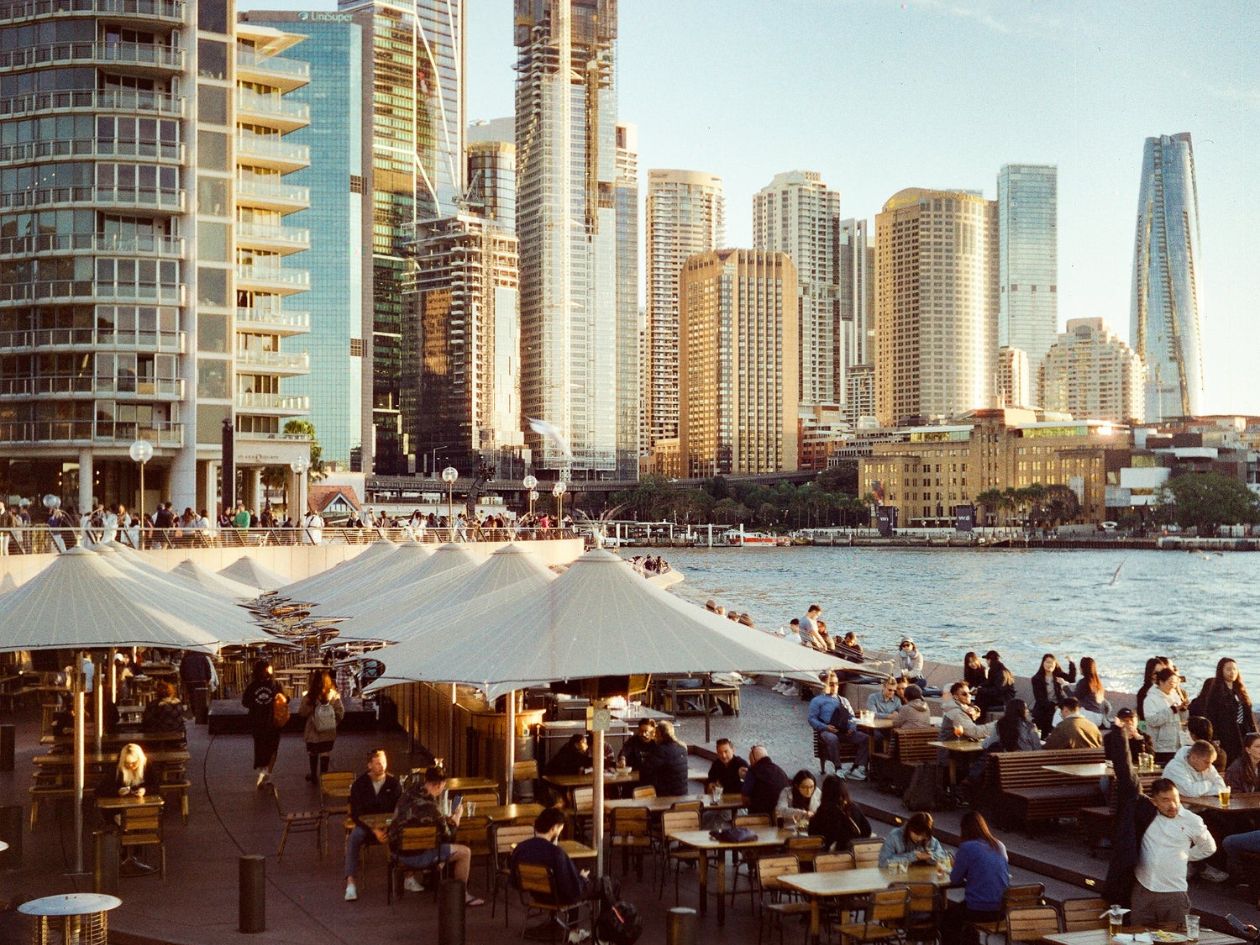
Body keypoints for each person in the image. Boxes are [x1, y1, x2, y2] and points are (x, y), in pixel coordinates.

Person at [387, 766, 482, 906]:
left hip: (397, 853)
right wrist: (456, 819)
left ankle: (416, 878)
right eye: (443, 787)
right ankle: (462, 895)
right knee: (465, 852)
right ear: (438, 785)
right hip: (418, 857)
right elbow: (448, 837)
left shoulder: (408, 792)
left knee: (433, 843)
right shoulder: (433, 809)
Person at [1129, 779, 1217, 927]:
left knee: (1176, 939)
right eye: (1165, 800)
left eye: (1175, 799)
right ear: (1154, 802)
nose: (1173, 805)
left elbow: (1209, 847)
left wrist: (1183, 856)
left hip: (1174, 893)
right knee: (1138, 938)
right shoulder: (1147, 815)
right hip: (1143, 890)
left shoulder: (1192, 820)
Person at [511, 806, 599, 932]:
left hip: (536, 895)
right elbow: (571, 890)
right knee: (605, 884)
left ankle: (573, 931)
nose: (560, 834)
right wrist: (582, 878)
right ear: (553, 828)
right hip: (557, 898)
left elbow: (514, 882)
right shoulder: (556, 853)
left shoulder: (520, 848)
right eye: (559, 830)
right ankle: (606, 935)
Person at [343, 748, 402, 901]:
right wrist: (375, 830)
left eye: (383, 762)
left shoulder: (394, 784)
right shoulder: (359, 785)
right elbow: (356, 814)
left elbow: (398, 809)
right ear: (369, 765)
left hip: (389, 825)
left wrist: (388, 827)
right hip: (366, 826)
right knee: (354, 837)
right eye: (377, 763)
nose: (381, 766)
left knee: (404, 834)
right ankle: (350, 882)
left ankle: (408, 875)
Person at [943, 812, 1010, 945]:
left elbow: (955, 879)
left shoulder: (967, 847)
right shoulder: (999, 845)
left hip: (978, 909)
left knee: (946, 919)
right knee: (961, 917)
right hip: (1001, 910)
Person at [807, 672, 868, 780]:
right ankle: (838, 768)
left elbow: (852, 717)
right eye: (831, 684)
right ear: (824, 685)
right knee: (832, 738)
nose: (835, 686)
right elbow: (811, 719)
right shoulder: (817, 701)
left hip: (844, 731)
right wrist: (825, 727)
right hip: (827, 731)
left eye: (836, 684)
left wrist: (852, 728)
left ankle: (856, 767)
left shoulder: (844, 700)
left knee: (865, 738)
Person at [1203, 658, 1255, 766]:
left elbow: (1248, 714)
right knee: (1231, 762)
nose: (1232, 672)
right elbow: (1211, 716)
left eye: (1234, 669)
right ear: (1221, 671)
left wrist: (1254, 732)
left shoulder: (1240, 690)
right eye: (1228, 669)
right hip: (1226, 734)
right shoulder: (1216, 692)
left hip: (1243, 732)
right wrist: (1215, 737)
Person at [241, 659, 284, 788]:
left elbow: (245, 703)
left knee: (260, 748)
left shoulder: (252, 687)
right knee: (273, 749)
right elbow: (285, 699)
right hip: (273, 722)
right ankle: (268, 775)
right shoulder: (275, 685)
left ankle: (262, 772)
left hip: (257, 722)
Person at [298, 668, 344, 783]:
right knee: (325, 752)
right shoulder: (333, 695)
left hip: (313, 732)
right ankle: (324, 777)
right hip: (328, 731)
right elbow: (340, 712)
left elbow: (302, 712)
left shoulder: (310, 696)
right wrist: (334, 721)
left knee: (313, 752)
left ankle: (313, 775)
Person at [808, 774, 872, 850]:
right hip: (855, 854)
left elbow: (813, 835)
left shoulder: (824, 811)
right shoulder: (853, 807)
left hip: (832, 857)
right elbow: (867, 829)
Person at [1144, 667, 1189, 764]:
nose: (1173, 685)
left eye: (1175, 682)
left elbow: (1183, 719)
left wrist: (1183, 710)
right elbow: (1152, 721)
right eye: (1170, 682)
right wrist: (1172, 710)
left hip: (1177, 743)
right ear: (1161, 682)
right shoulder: (1151, 699)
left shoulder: (1175, 696)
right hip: (1160, 746)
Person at [1031, 653, 1077, 738]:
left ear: (1055, 664)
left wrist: (1071, 662)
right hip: (1044, 706)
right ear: (1043, 663)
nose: (1050, 665)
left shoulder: (1058, 675)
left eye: (1052, 663)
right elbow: (1040, 699)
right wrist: (1053, 706)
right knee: (1044, 717)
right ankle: (1045, 739)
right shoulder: (1036, 679)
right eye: (1047, 662)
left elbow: (1072, 678)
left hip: (1059, 704)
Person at [1163, 740, 1228, 800]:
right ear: (1194, 758)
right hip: (1181, 811)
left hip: (1203, 808)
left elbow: (1221, 788)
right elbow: (1191, 792)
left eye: (1211, 762)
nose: (1209, 766)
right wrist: (1209, 783)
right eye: (1206, 762)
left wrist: (1198, 791)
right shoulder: (1174, 768)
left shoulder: (1208, 766)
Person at [877, 811, 944, 868]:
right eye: (917, 834)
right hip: (897, 879)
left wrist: (930, 857)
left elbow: (943, 856)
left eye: (923, 836)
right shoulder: (895, 836)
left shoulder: (928, 839)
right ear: (910, 828)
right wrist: (913, 856)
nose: (919, 838)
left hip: (921, 877)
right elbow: (883, 862)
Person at [641, 720, 689, 797]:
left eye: (656, 733)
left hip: (665, 795)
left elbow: (645, 770)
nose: (654, 736)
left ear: (660, 734)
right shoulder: (682, 748)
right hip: (683, 794)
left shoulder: (660, 750)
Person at [742, 745, 790, 817]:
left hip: (761, 817)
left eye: (750, 760)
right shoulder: (780, 770)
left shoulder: (753, 771)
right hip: (781, 816)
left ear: (753, 759)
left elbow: (745, 799)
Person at [1074, 656, 1112, 726]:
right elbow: (1107, 706)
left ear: (1083, 668)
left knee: (1062, 712)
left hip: (1089, 717)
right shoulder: (1097, 683)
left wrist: (1064, 686)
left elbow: (1074, 698)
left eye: (1080, 666)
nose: (1079, 668)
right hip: (1099, 718)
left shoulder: (1084, 682)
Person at [975, 650, 1015, 715]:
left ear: (990, 660)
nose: (986, 662)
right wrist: (980, 687)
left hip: (1004, 698)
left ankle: (979, 718)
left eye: (987, 660)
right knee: (980, 694)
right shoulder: (995, 669)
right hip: (999, 695)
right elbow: (990, 683)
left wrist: (981, 690)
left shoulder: (1002, 673)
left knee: (981, 698)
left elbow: (997, 690)